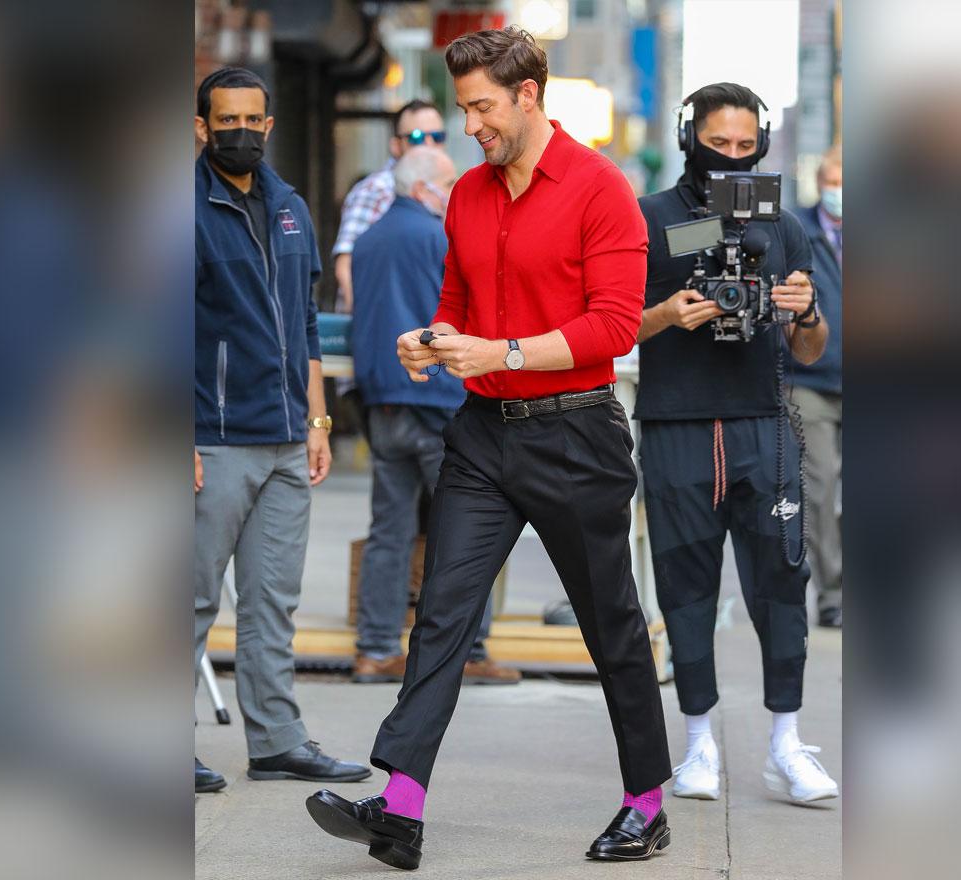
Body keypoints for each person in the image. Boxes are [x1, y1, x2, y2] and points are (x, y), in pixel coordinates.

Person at [304, 27, 672, 869]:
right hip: (479, 436)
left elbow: (613, 328)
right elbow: (456, 301)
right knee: (441, 616)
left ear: (529, 95)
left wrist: (503, 352)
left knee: (610, 624)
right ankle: (400, 808)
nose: (468, 124)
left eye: (480, 107)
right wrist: (430, 340)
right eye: (463, 105)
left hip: (577, 433)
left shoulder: (601, 190)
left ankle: (645, 804)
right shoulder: (467, 194)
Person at [633, 83, 839, 805]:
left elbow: (811, 349)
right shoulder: (652, 218)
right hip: (676, 426)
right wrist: (667, 312)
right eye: (716, 143)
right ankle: (698, 746)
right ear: (690, 136)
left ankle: (786, 744)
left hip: (762, 425)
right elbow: (616, 325)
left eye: (743, 145)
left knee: (783, 585)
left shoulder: (781, 226)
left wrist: (804, 307)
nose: (729, 157)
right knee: (684, 590)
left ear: (762, 142)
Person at [193, 67, 369, 793]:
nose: (240, 132)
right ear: (202, 128)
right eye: (224, 120)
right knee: (192, 596)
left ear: (269, 126)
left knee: (273, 599)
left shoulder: (291, 208)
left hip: (289, 436)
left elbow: (303, 327)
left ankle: (277, 740)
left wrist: (319, 420)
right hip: (213, 438)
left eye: (251, 121)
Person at [348, 146, 519, 686]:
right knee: (466, 529)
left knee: (389, 529)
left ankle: (375, 648)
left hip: (382, 400)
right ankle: (469, 652)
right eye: (447, 184)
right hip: (435, 399)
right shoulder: (438, 237)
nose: (453, 194)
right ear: (423, 189)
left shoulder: (369, 240)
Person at [330, 99, 447, 313]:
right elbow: (346, 265)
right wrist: (367, 324)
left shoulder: (445, 187)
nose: (429, 145)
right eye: (417, 137)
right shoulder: (375, 190)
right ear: (395, 145)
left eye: (437, 137)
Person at [792, 144, 843, 628]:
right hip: (812, 380)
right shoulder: (797, 230)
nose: (841, 187)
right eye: (834, 176)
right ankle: (833, 593)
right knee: (821, 488)